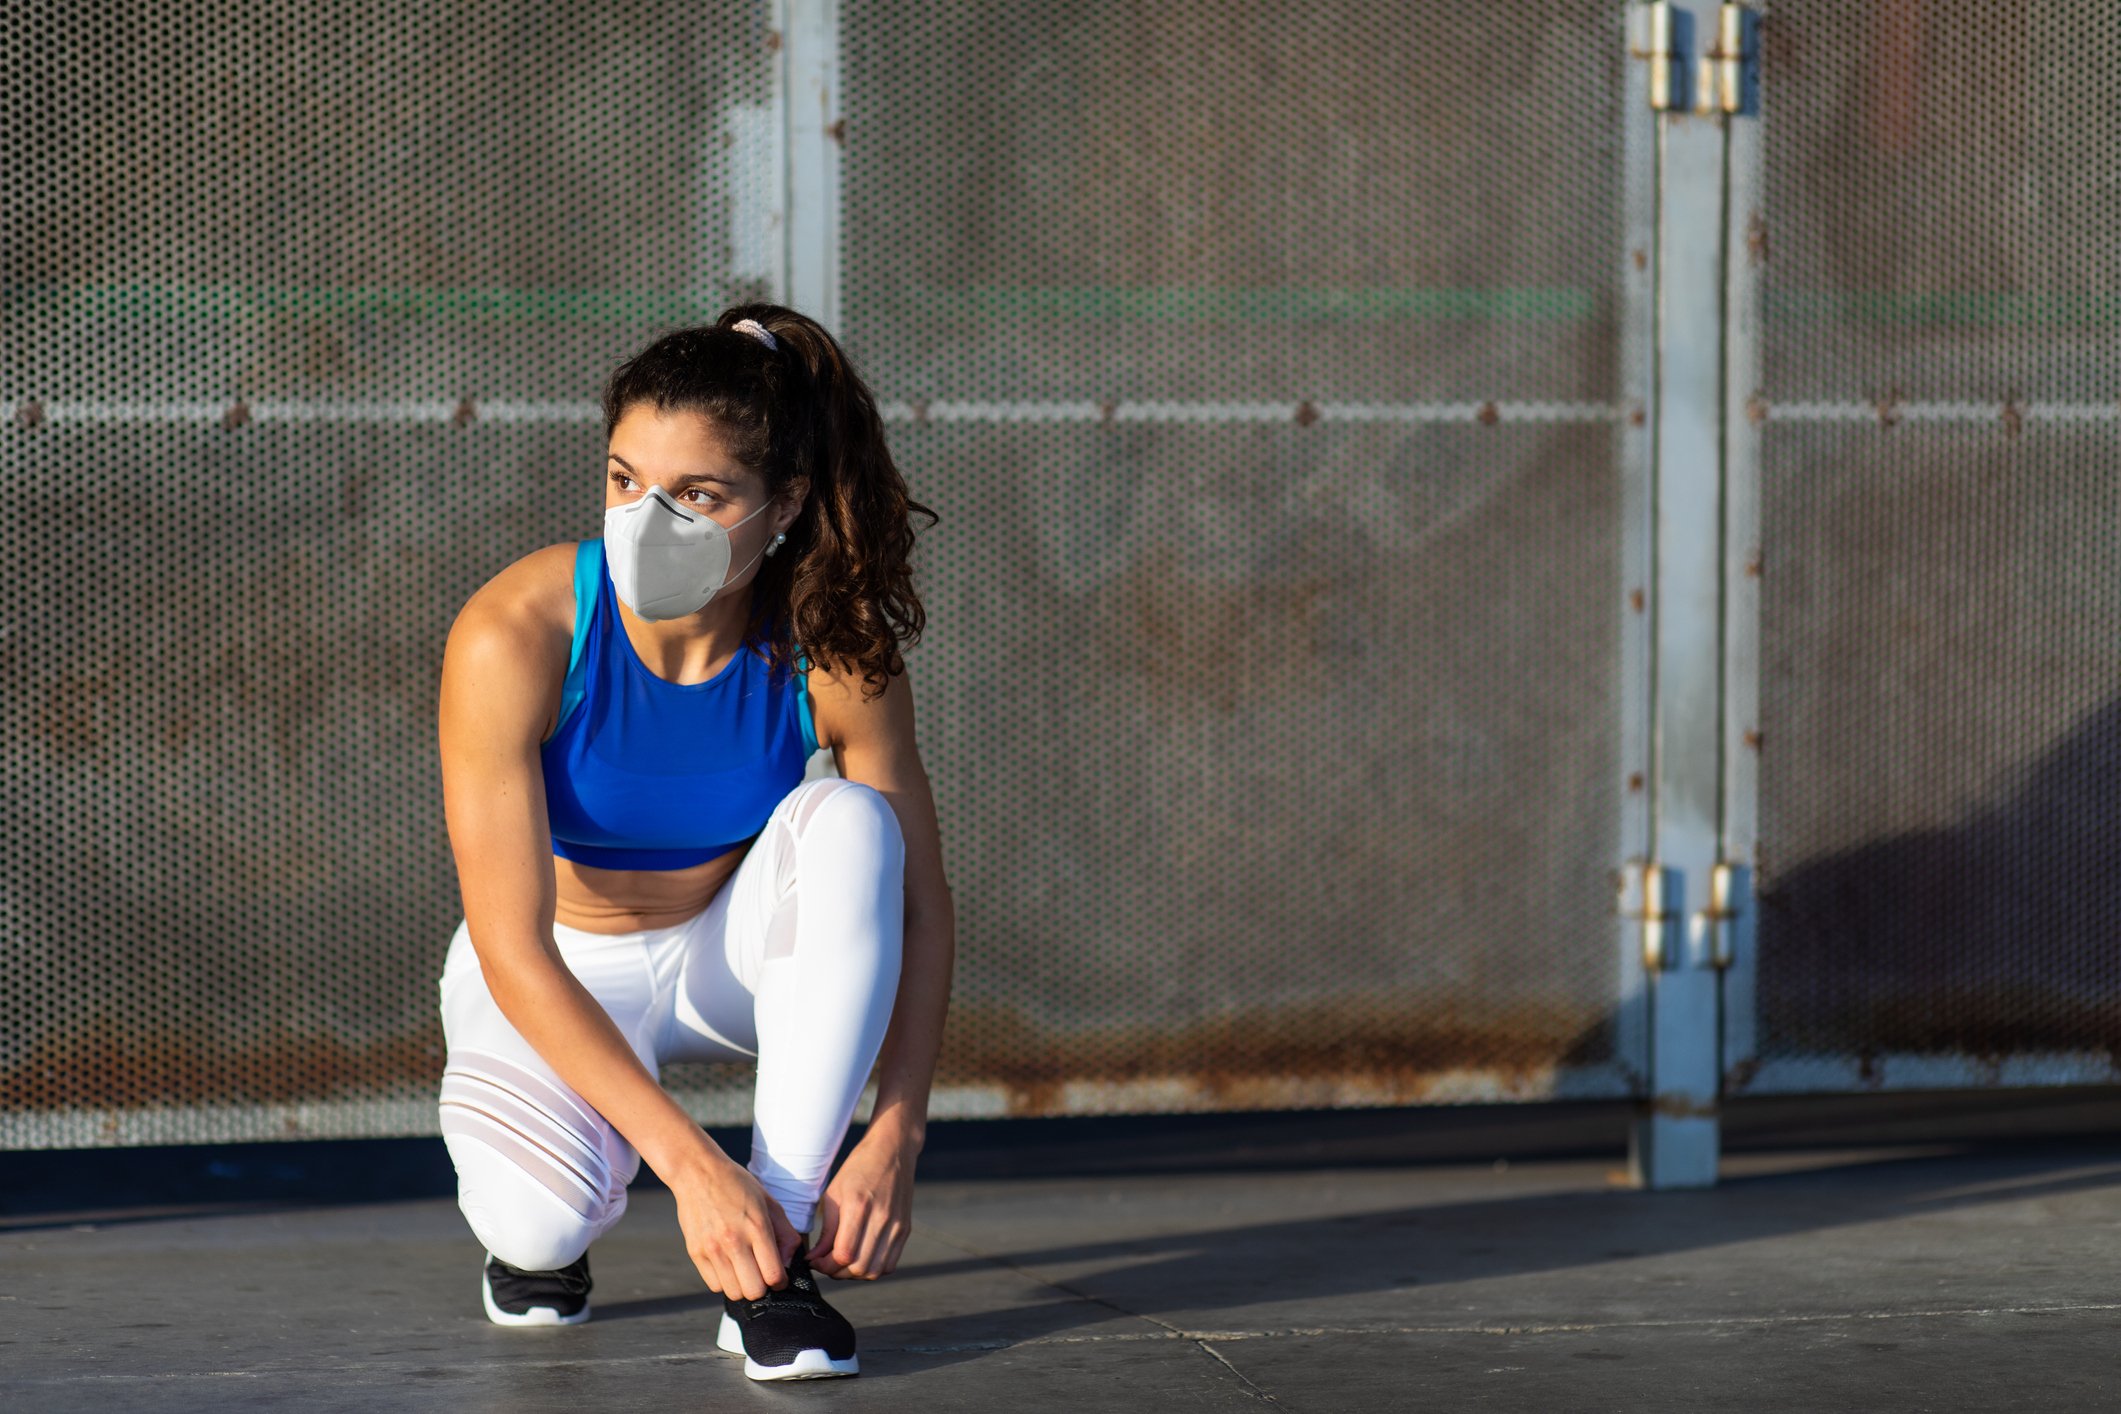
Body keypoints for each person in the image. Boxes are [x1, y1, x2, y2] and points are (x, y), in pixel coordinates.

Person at [432, 306, 953, 1381]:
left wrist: (898, 1131)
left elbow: (918, 904)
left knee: (855, 827)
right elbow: (513, 944)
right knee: (539, 1233)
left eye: (698, 495)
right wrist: (692, 1165)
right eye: (626, 480)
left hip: (720, 952)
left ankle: (771, 1268)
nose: (647, 519)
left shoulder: (832, 651)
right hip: (551, 966)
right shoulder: (516, 632)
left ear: (784, 505)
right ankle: (567, 1209)